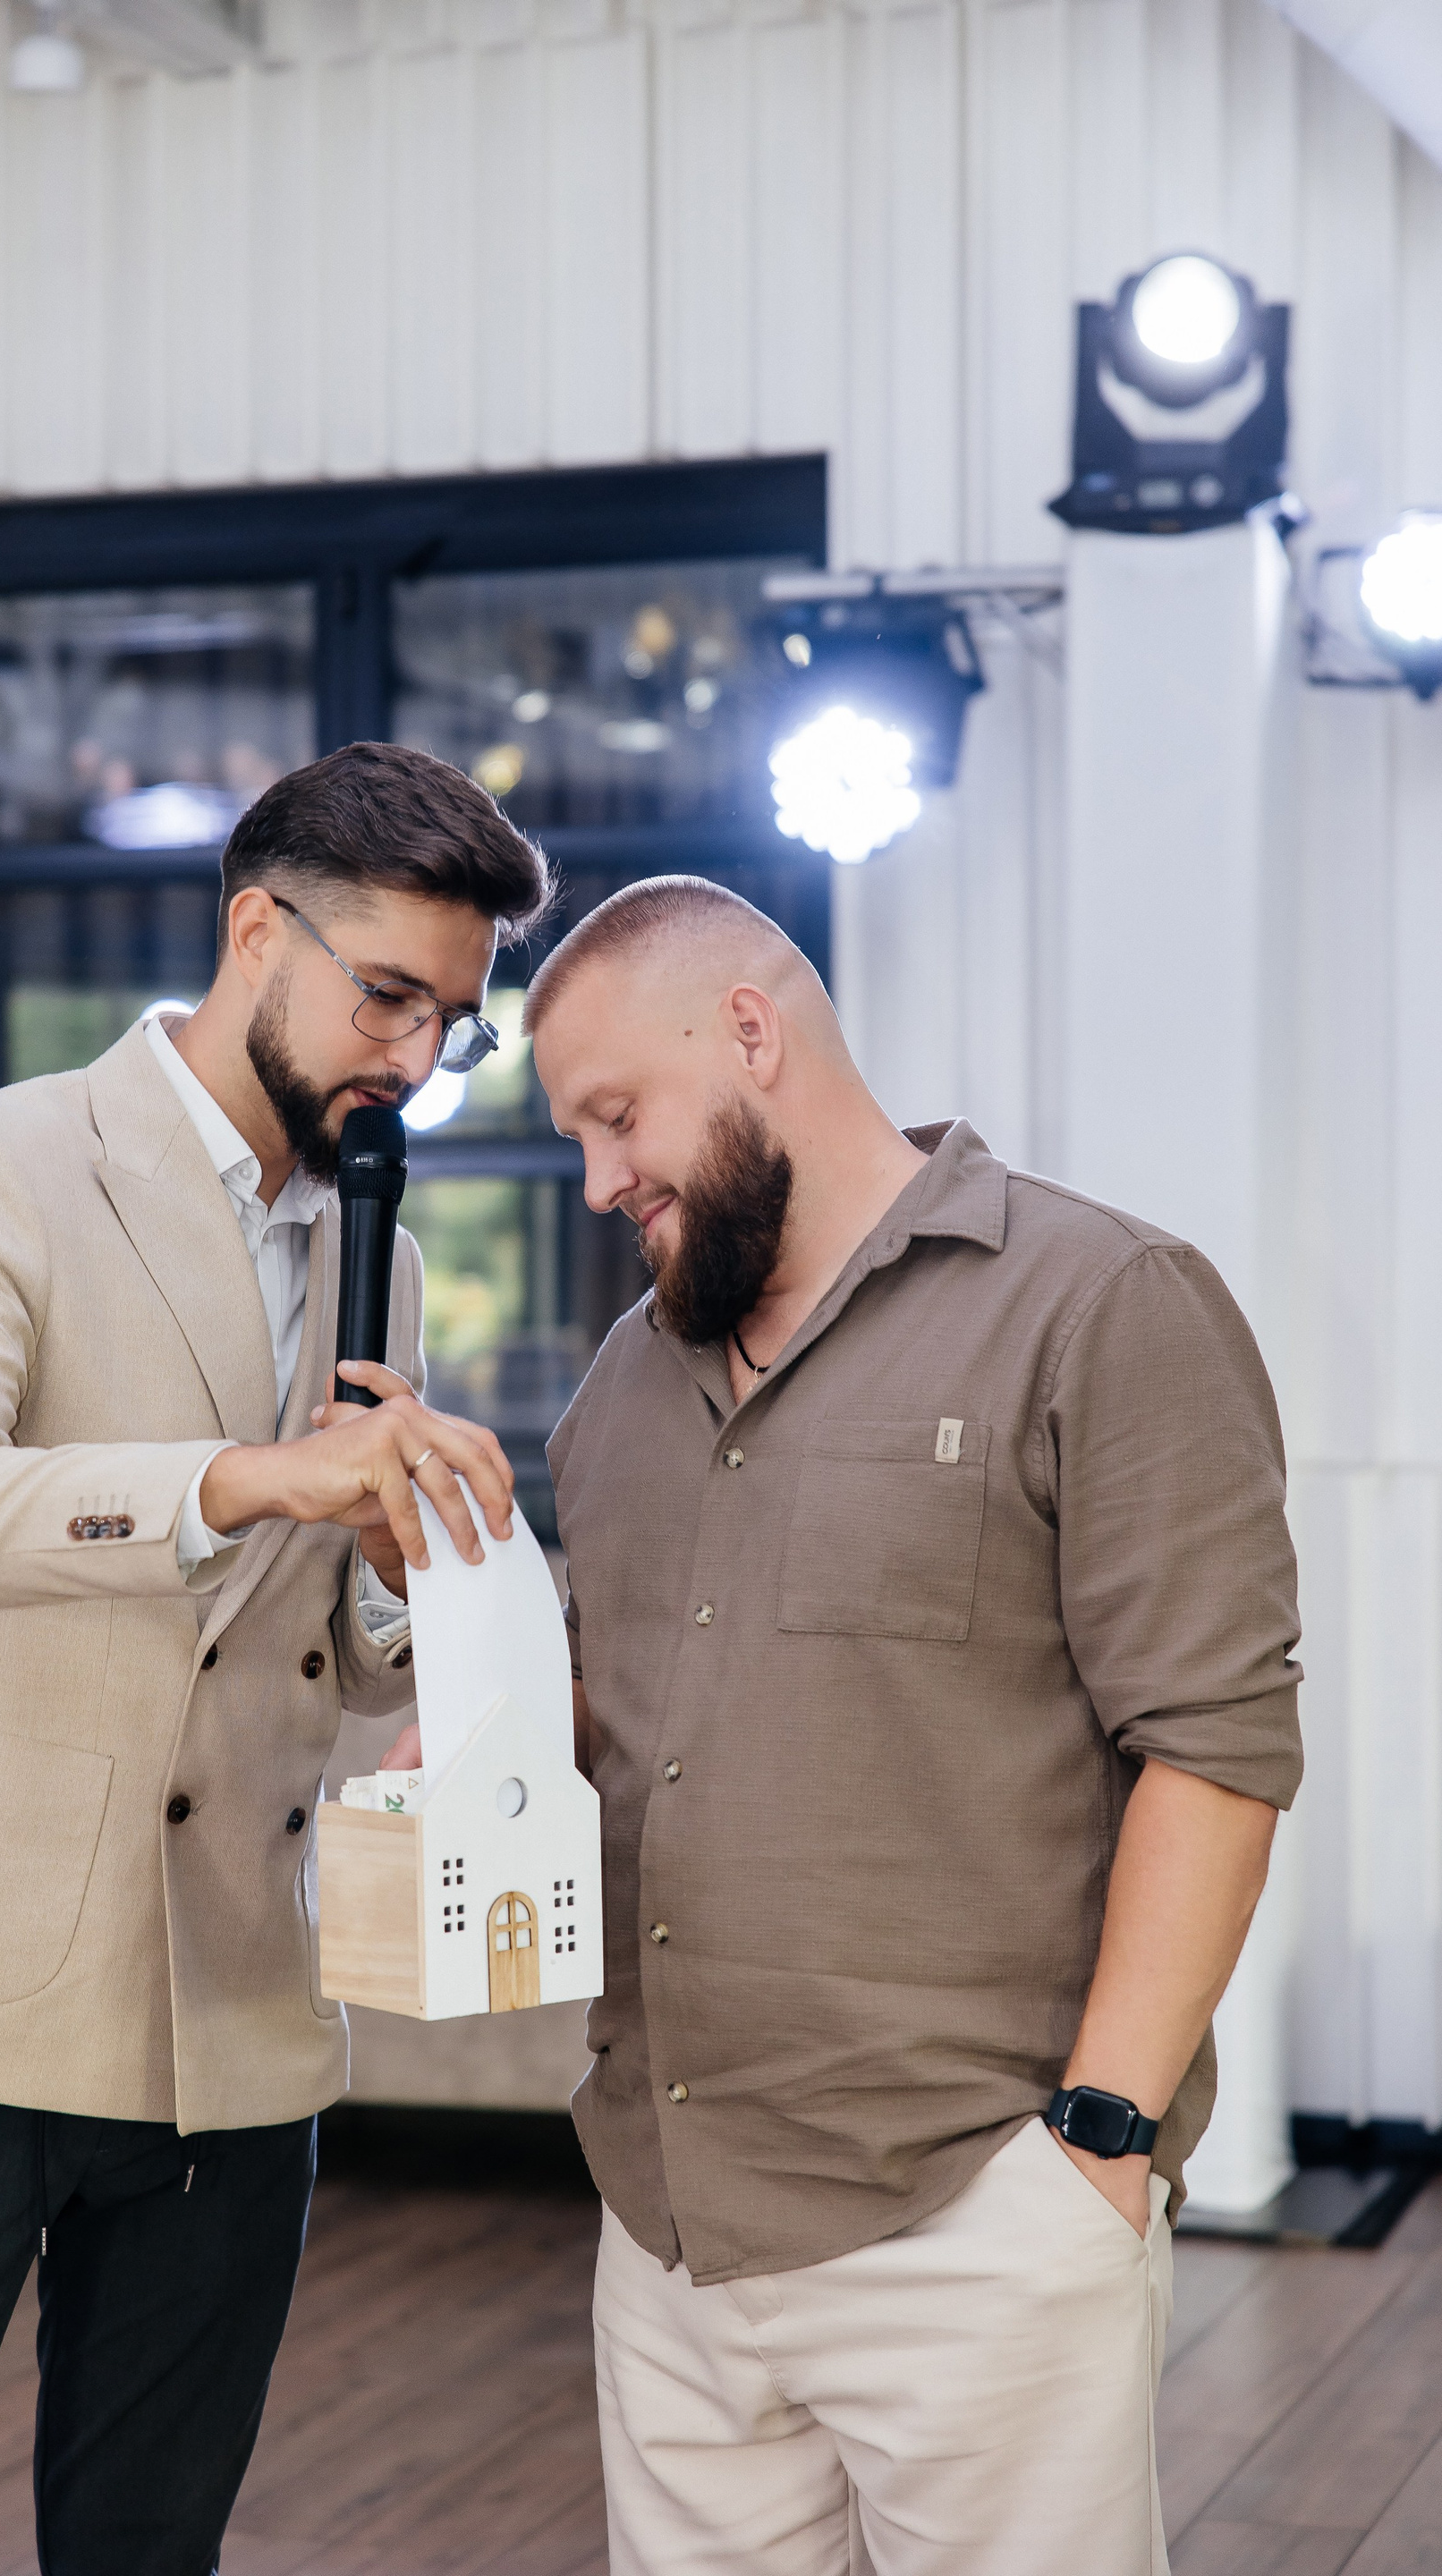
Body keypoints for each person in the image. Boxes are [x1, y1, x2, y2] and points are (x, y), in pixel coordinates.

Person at [0, 742, 547, 2576]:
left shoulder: (387, 1259)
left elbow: (343, 1658)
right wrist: (243, 1478)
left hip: (237, 2030)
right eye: (388, 996)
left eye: (453, 1021)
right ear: (257, 933)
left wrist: (411, 1580)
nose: (417, 1057)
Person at [525, 874, 1302, 2576]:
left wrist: (1100, 2147)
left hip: (981, 2216)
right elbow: (625, 1719)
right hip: (666, 2231)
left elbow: (1218, 1749)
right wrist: (482, 1722)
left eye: (615, 1116)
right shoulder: (623, 1385)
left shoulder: (1102, 1303)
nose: (597, 1181)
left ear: (751, 1031)